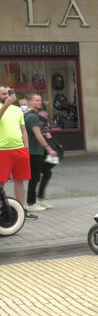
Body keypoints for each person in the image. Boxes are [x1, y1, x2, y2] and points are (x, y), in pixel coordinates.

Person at [0, 86, 35, 219]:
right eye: (3, 94)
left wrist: (26, 146)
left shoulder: (17, 110)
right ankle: (2, 208)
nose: (6, 96)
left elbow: (23, 129)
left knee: (20, 180)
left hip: (19, 149)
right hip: (2, 150)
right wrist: (6, 105)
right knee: (1, 181)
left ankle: (22, 209)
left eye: (8, 93)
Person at [24, 94, 58, 212]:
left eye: (40, 100)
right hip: (34, 152)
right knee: (34, 177)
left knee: (47, 173)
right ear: (30, 102)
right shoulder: (32, 117)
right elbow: (37, 134)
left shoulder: (33, 116)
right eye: (37, 100)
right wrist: (48, 148)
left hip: (38, 151)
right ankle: (30, 203)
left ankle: (41, 199)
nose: (40, 102)